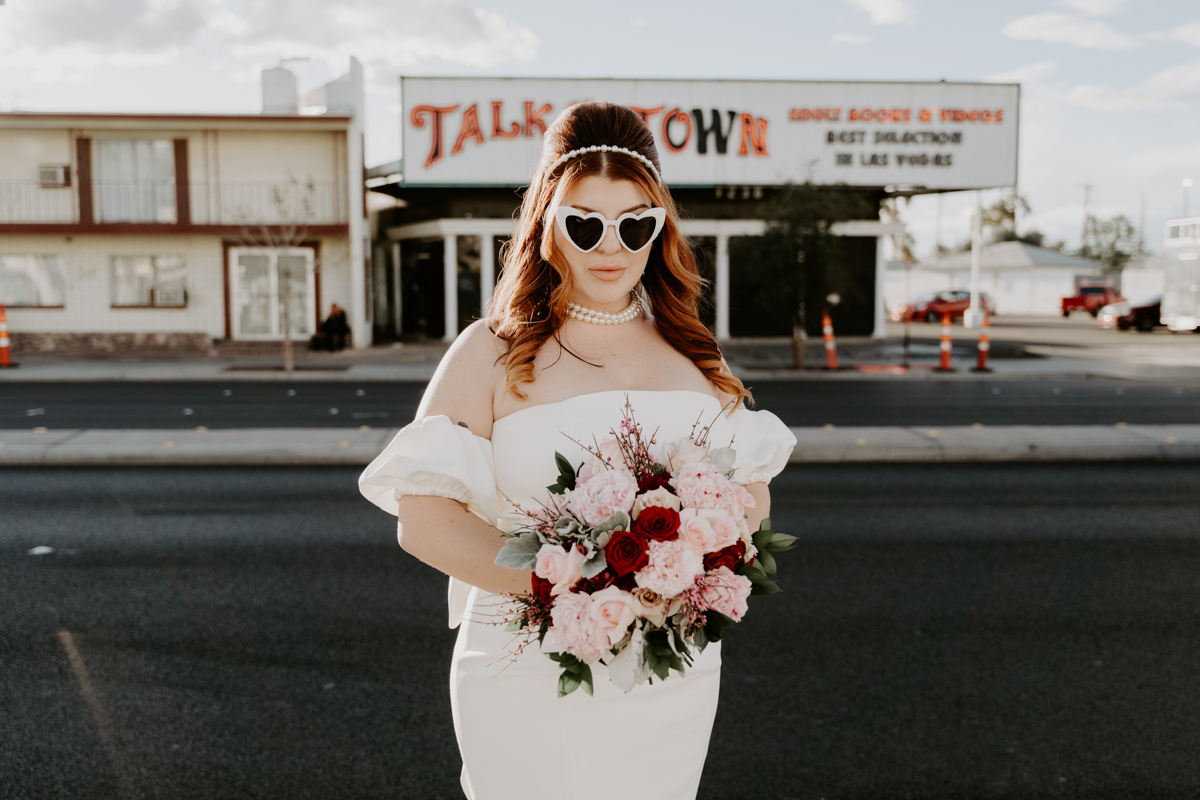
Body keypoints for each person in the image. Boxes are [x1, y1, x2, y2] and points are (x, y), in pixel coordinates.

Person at [359, 102, 795, 800]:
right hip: (525, 671)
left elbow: (752, 492)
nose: (609, 245)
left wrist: (693, 561)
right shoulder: (491, 351)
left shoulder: (695, 352)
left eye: (634, 224)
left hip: (670, 676)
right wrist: (572, 587)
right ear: (548, 224)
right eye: (584, 223)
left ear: (660, 229)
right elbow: (424, 519)